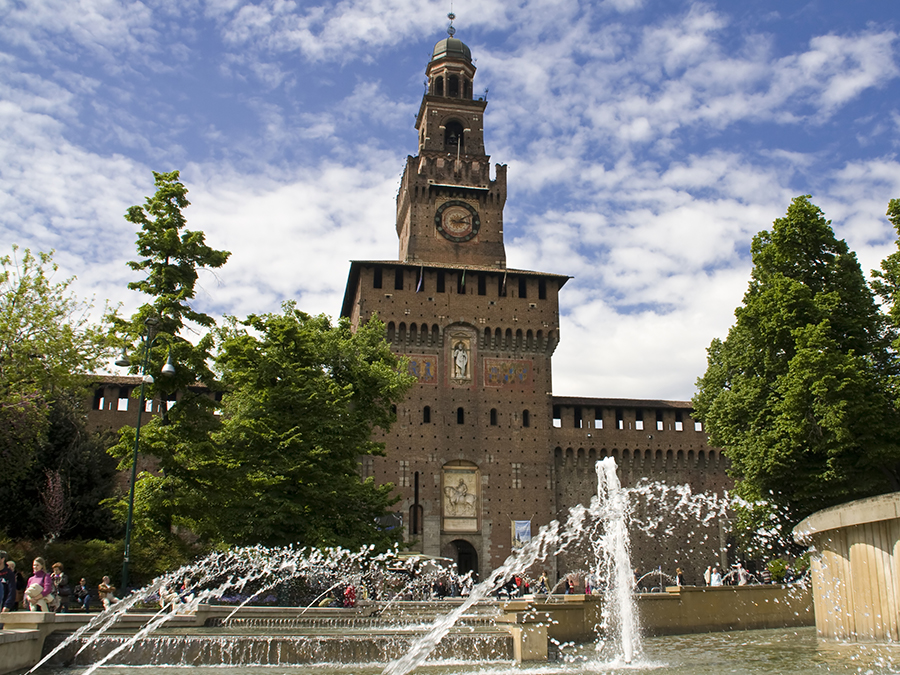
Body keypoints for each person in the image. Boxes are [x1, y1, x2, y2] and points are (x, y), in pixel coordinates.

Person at [0, 550, 16, 624]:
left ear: (2, 559)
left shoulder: (9, 574)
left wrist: (7, 606)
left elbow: (12, 591)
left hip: (3, 607)